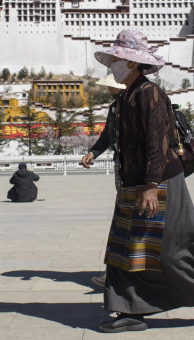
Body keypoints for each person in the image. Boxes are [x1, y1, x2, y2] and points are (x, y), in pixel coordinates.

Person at [93, 29, 194, 333]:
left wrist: (152, 185)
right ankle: (129, 311)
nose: (112, 64)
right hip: (134, 182)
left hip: (159, 182)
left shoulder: (150, 93)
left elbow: (158, 142)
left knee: (167, 254)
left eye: (117, 58)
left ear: (131, 63)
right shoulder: (125, 97)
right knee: (125, 250)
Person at [81, 74, 126, 287]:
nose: (109, 90)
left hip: (139, 170)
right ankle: (117, 273)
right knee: (123, 218)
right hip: (123, 166)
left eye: (111, 87)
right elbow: (107, 136)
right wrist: (93, 153)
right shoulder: (115, 108)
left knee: (129, 220)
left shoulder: (136, 103)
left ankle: (121, 273)